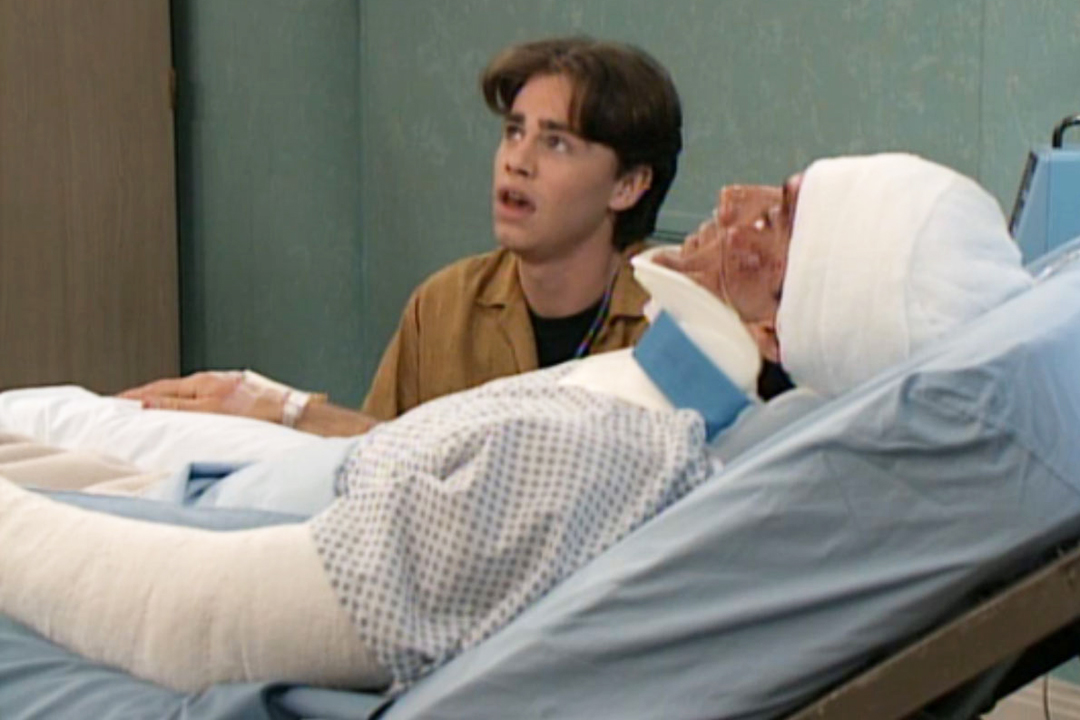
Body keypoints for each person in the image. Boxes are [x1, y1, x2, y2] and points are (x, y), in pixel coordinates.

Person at [0, 153, 1032, 696]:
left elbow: (201, 620)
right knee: (42, 416)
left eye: (780, 217)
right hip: (281, 498)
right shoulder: (660, 412)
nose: (732, 196)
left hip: (253, 533)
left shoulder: (608, 451)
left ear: (782, 327)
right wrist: (284, 408)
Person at [120, 36, 685, 434]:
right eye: (514, 133)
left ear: (628, 185)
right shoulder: (443, 306)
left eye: (555, 142)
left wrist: (296, 412)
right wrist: (279, 420)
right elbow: (381, 462)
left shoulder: (675, 323)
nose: (517, 161)